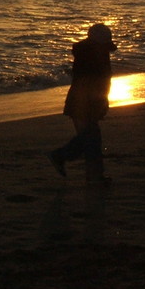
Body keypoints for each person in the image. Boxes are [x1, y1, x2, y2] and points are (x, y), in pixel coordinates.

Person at [48, 23, 116, 184]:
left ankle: (93, 176)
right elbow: (94, 84)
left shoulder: (90, 53)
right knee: (91, 139)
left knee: (89, 139)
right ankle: (61, 156)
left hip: (83, 101)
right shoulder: (91, 57)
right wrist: (100, 103)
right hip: (83, 103)